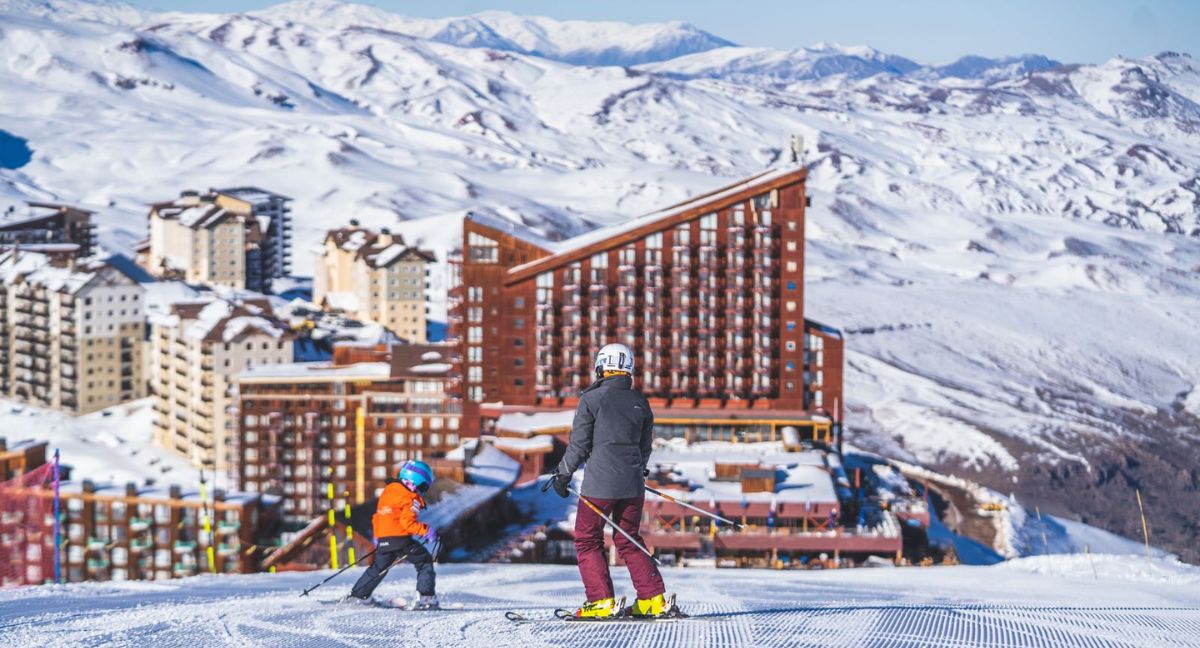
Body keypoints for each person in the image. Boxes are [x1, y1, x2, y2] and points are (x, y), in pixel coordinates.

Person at [550, 342, 669, 618]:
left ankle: (601, 601)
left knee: (587, 538)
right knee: (628, 538)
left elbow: (578, 444)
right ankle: (653, 599)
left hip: (600, 485)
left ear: (602, 366)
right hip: (632, 486)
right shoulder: (641, 402)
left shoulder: (591, 400)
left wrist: (563, 473)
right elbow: (644, 447)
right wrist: (637, 471)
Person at [346, 460, 442, 609]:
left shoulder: (388, 493)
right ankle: (426, 599)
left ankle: (359, 596)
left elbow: (378, 516)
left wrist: (378, 537)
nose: (422, 491)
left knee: (378, 568)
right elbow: (407, 523)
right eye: (424, 487)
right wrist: (427, 531)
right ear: (417, 481)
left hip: (384, 539)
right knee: (424, 562)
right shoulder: (410, 498)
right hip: (400, 539)